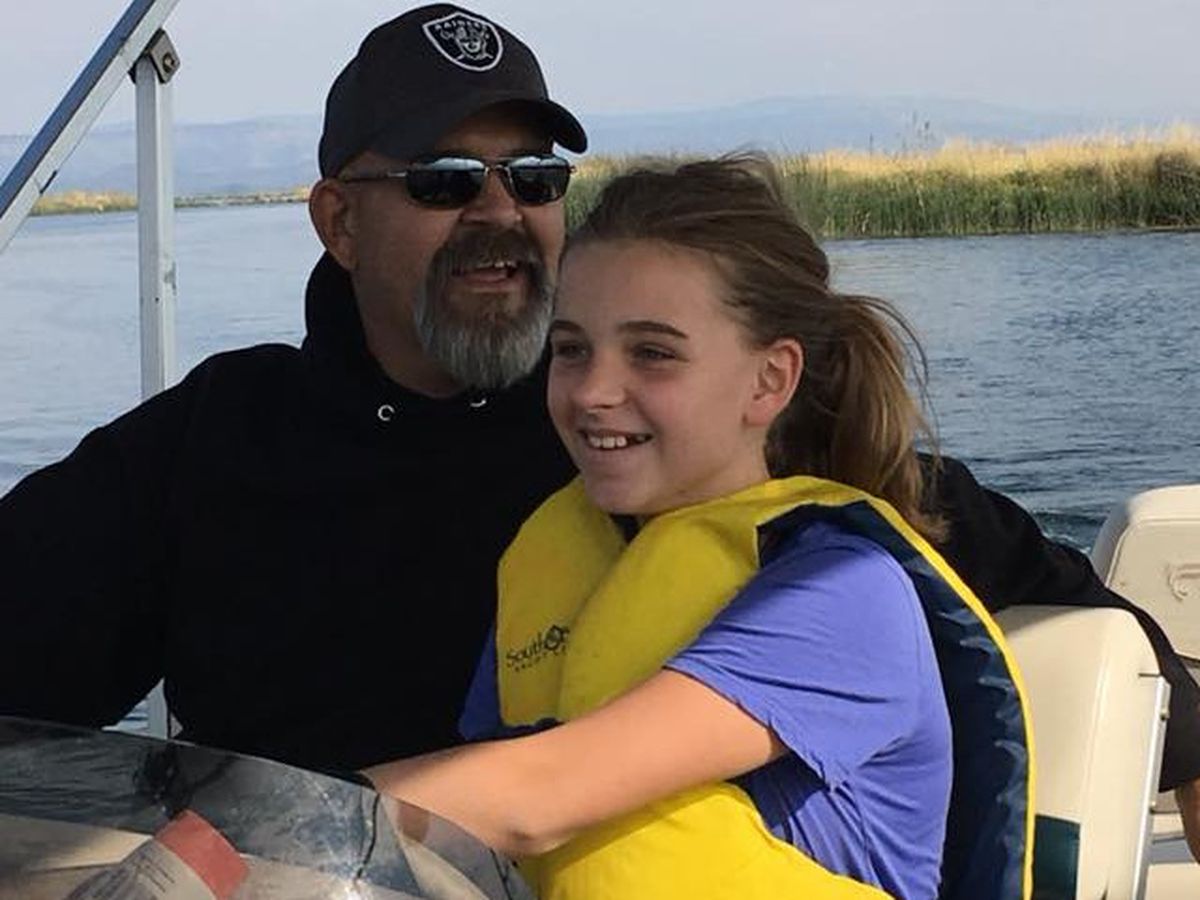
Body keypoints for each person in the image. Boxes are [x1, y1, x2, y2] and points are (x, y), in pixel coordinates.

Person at [0, 0, 1199, 858]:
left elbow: (1064, 604)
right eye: (443, 180)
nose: (499, 212)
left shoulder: (662, 442)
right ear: (338, 222)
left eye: (533, 176)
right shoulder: (212, 442)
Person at [365, 155, 1032, 900]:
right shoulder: (554, 566)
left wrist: (279, 820)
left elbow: (536, 797)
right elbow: (473, 807)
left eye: (653, 354)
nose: (593, 390)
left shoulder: (841, 597)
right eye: (571, 349)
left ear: (769, 380)